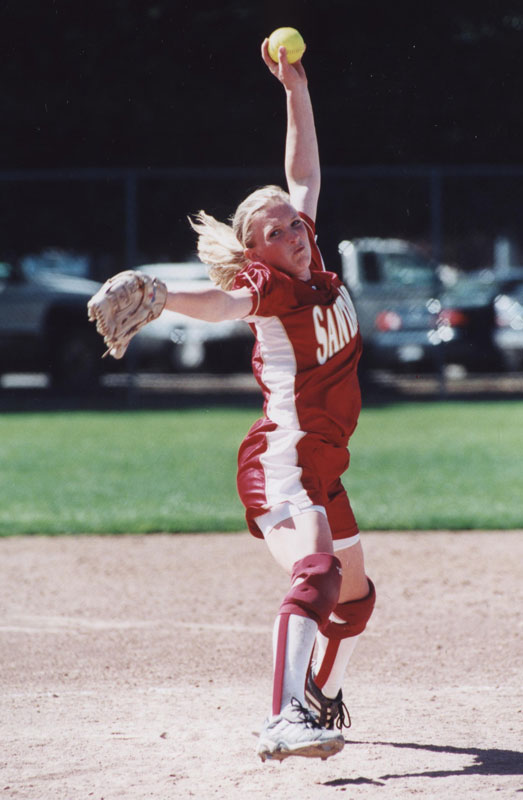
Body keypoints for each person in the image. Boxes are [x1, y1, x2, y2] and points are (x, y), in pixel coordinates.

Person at [164, 38, 376, 762]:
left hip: (322, 465)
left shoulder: (308, 258)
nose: (290, 232)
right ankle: (283, 719)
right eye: (272, 231)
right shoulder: (268, 285)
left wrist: (295, 90)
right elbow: (224, 308)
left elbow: (303, 171)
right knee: (314, 572)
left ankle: (320, 696)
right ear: (255, 253)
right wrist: (160, 295)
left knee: (354, 599)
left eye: (293, 223)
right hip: (282, 462)